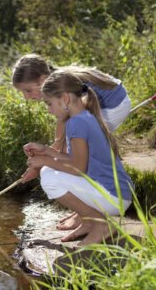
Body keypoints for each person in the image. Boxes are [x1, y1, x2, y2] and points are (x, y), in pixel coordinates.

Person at [12, 54, 131, 230]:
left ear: (43, 79)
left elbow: (65, 132)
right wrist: (44, 158)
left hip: (113, 104)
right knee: (75, 152)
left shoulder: (65, 89)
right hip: (116, 97)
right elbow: (59, 137)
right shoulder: (59, 84)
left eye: (28, 90)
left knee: (80, 154)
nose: (26, 97)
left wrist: (41, 164)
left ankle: (91, 216)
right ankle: (85, 210)